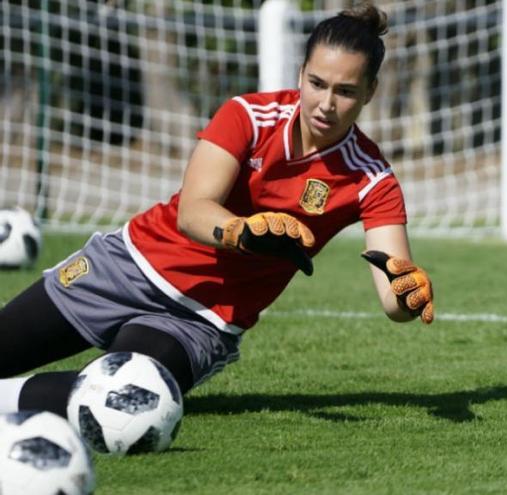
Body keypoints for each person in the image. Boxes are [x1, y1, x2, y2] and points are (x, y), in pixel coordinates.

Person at [0, 1, 434, 419]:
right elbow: (193, 211)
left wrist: (405, 294)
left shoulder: (372, 178)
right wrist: (243, 232)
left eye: (345, 91)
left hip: (199, 321)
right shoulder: (248, 115)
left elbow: (393, 290)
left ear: (370, 92)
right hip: (127, 269)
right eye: (317, 83)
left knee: (118, 396)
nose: (326, 104)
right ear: (300, 73)